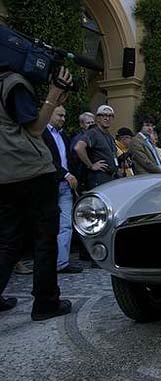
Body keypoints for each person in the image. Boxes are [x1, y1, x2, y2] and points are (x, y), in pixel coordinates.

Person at [0, 65, 73, 320]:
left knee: (8, 241)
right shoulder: (14, 82)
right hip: (32, 171)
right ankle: (45, 302)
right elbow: (34, 129)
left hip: (6, 174)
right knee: (45, 238)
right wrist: (53, 93)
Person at [41, 106, 82, 274]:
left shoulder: (63, 136)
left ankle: (61, 262)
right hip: (49, 184)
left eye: (64, 115)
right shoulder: (41, 134)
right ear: (50, 113)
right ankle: (46, 263)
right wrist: (65, 174)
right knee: (46, 226)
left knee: (65, 225)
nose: (63, 118)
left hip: (66, 186)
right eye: (60, 115)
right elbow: (46, 159)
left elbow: (68, 159)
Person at [74, 105, 118, 189]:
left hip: (111, 178)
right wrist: (91, 165)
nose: (107, 118)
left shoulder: (109, 135)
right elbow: (78, 147)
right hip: (99, 178)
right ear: (97, 118)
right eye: (103, 115)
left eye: (110, 116)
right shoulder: (93, 133)